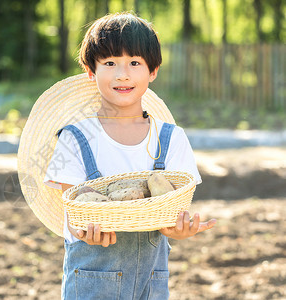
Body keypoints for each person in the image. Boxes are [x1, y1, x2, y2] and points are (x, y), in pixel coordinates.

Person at [42, 12, 217, 299]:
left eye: (134, 63)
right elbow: (73, 213)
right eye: (109, 63)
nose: (122, 74)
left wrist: (178, 230)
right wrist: (85, 230)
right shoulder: (75, 138)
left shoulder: (171, 139)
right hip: (90, 284)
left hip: (150, 286)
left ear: (153, 71)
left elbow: (173, 214)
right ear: (91, 71)